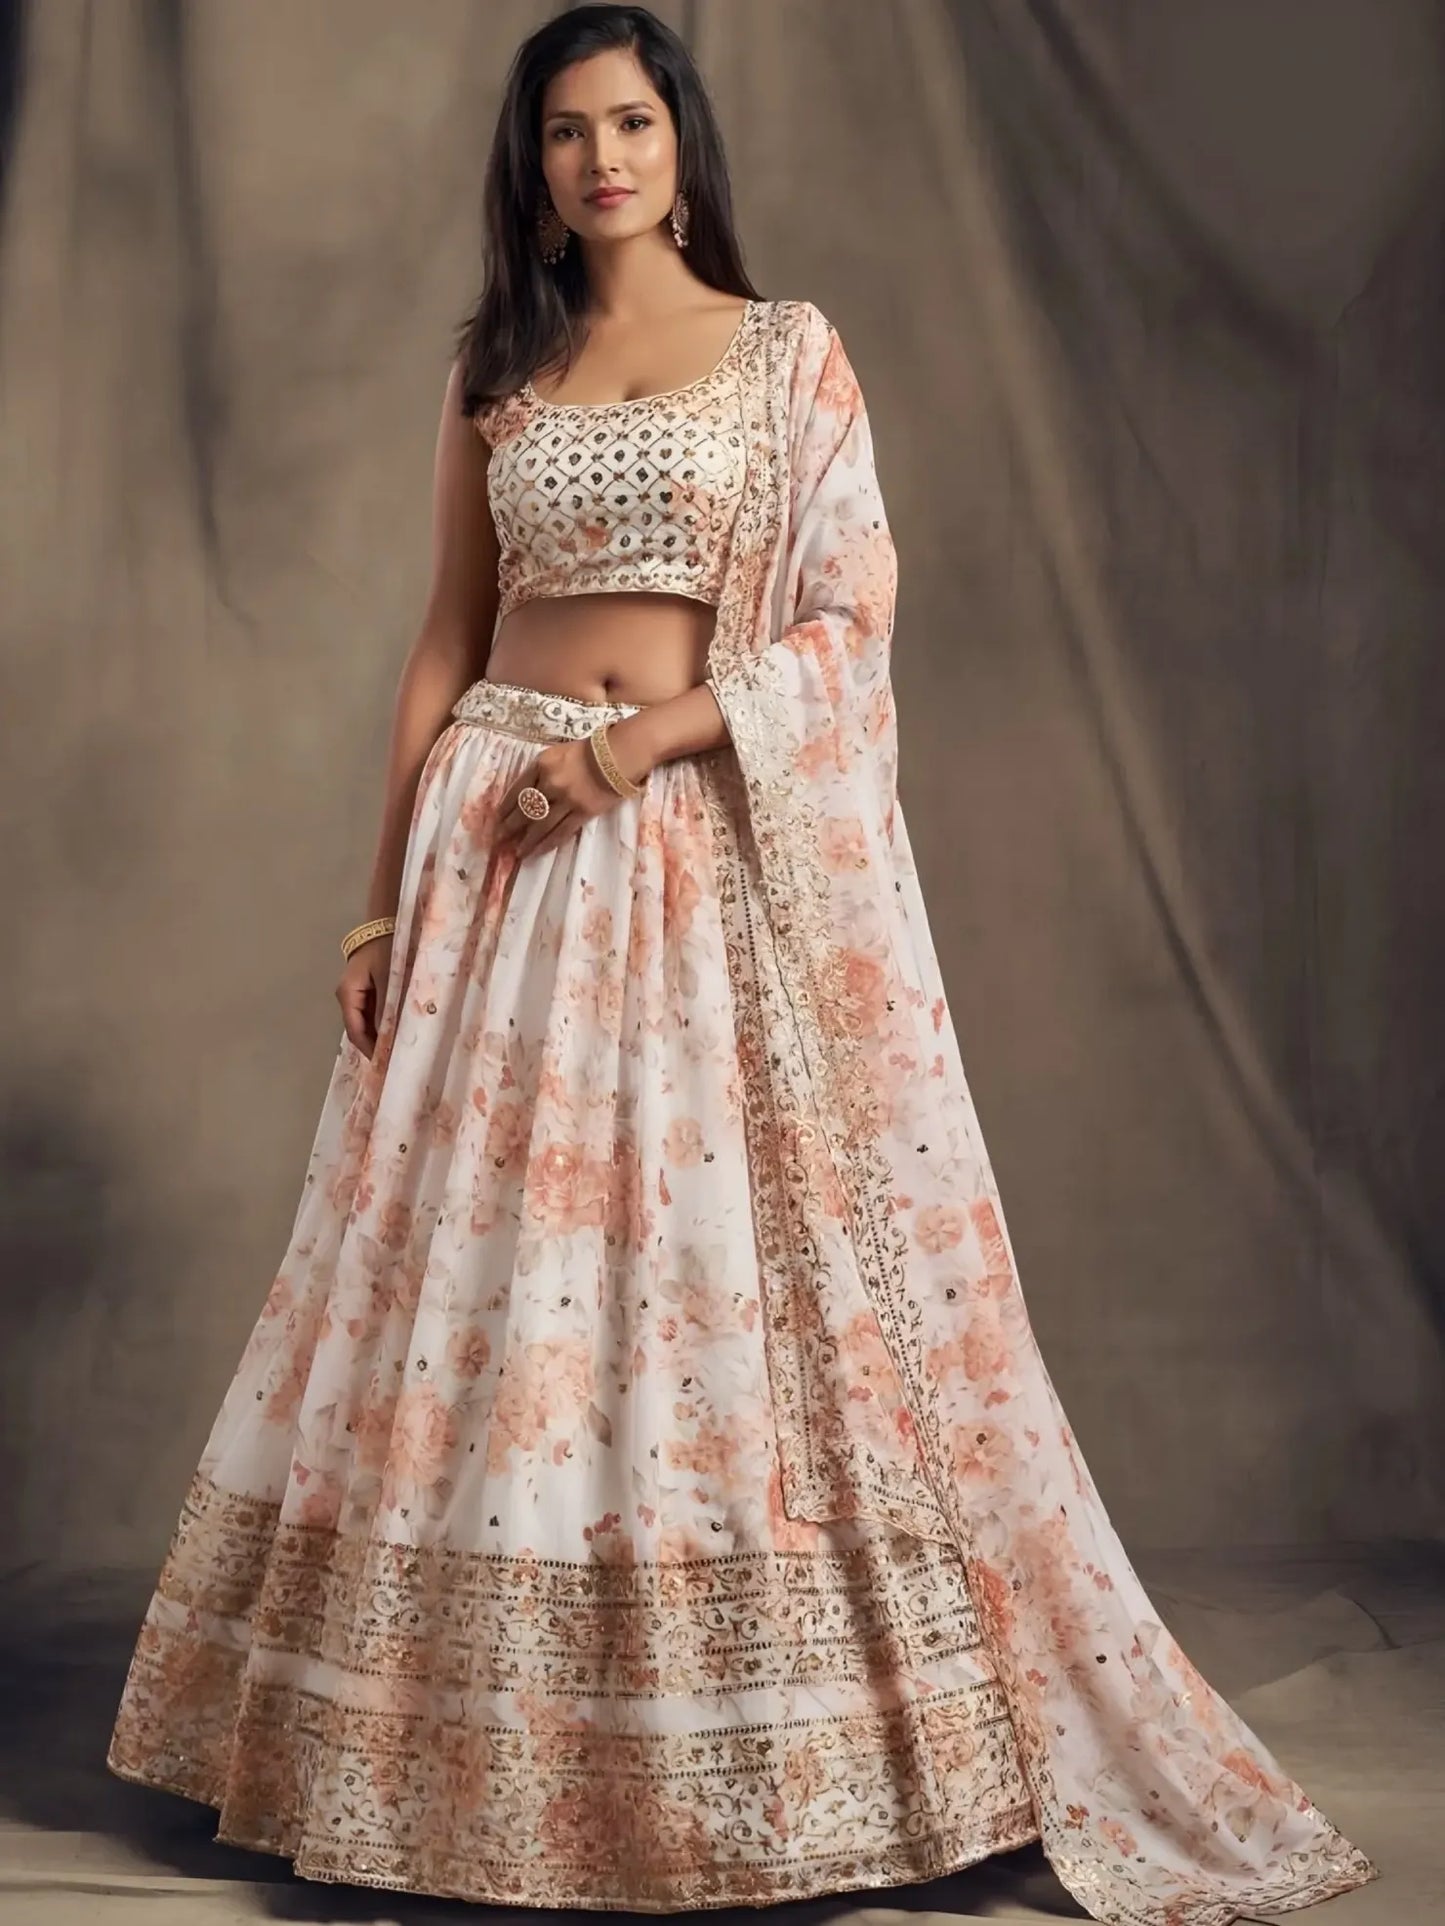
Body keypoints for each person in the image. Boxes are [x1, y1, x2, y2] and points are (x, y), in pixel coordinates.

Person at [106, 7, 1378, 1922]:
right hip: (500, 861)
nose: (598, 159)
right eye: (561, 132)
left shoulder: (786, 358)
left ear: (681, 141)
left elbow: (848, 622)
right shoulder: (499, 369)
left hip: (679, 850)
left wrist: (630, 749)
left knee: (692, 1290)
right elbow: (440, 643)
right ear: (528, 165)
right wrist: (379, 901)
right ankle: (460, 1760)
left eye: (629, 121)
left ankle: (743, 1755)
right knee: (489, 1306)